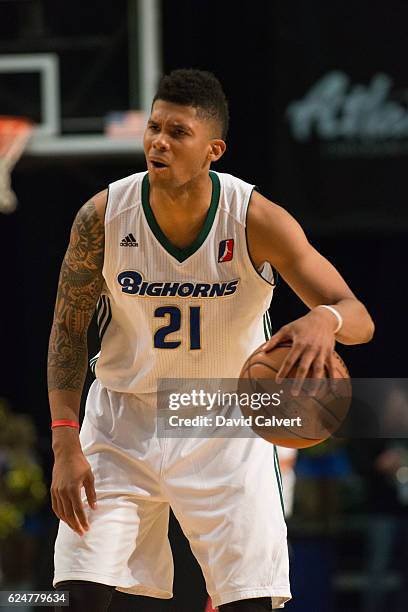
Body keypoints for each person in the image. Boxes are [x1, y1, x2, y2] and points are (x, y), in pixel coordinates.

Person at [48, 69, 374, 611]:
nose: (158, 141)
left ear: (212, 150)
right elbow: (67, 330)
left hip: (224, 424)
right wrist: (64, 442)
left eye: (178, 132)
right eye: (154, 128)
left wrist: (326, 320)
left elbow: (357, 315)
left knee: (249, 602)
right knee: (77, 595)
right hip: (120, 423)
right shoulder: (101, 218)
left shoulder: (255, 220)